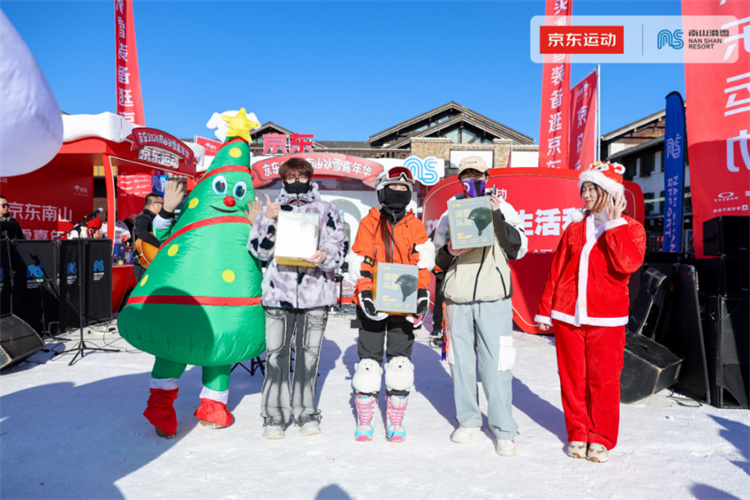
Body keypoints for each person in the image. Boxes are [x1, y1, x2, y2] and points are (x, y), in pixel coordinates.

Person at [535, 161, 646, 463]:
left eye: (592, 189)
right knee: (572, 379)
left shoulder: (631, 228)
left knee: (604, 381)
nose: (585, 194)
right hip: (567, 315)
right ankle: (577, 433)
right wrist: (545, 309)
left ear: (609, 192)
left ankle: (601, 438)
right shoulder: (574, 227)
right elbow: (556, 269)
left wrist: (614, 225)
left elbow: (627, 264)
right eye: (583, 188)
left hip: (607, 317)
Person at [432, 156, 527, 457]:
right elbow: (436, 258)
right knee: (460, 364)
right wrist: (450, 250)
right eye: (466, 175)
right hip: (458, 299)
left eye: (477, 175)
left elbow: (518, 249)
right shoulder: (450, 212)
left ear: (487, 178)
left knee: (497, 365)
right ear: (459, 180)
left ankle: (503, 429)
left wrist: (496, 216)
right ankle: (469, 420)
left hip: (494, 298)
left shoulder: (504, 207)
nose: (471, 180)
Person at [248, 157, 348, 439]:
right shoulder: (272, 209)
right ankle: (274, 417)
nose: (296, 181)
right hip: (278, 294)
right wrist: (267, 220)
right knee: (275, 357)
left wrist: (325, 255)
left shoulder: (326, 210)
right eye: (290, 177)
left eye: (301, 176)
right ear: (283, 180)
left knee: (309, 358)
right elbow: (259, 251)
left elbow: (339, 245)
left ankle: (306, 414)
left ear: (310, 178)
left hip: (315, 294)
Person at [346, 166, 434, 442]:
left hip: (403, 305)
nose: (398, 192)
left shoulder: (415, 226)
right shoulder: (369, 223)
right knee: (368, 364)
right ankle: (365, 420)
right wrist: (365, 293)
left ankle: (395, 421)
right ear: (382, 192)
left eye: (403, 189)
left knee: (399, 364)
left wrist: (422, 294)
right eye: (392, 188)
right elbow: (361, 259)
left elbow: (422, 264)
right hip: (372, 302)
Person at [133, 193, 164, 282]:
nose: (162, 206)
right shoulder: (144, 217)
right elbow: (141, 232)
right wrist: (160, 244)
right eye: (161, 203)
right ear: (153, 204)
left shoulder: (152, 217)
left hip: (150, 259)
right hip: (143, 261)